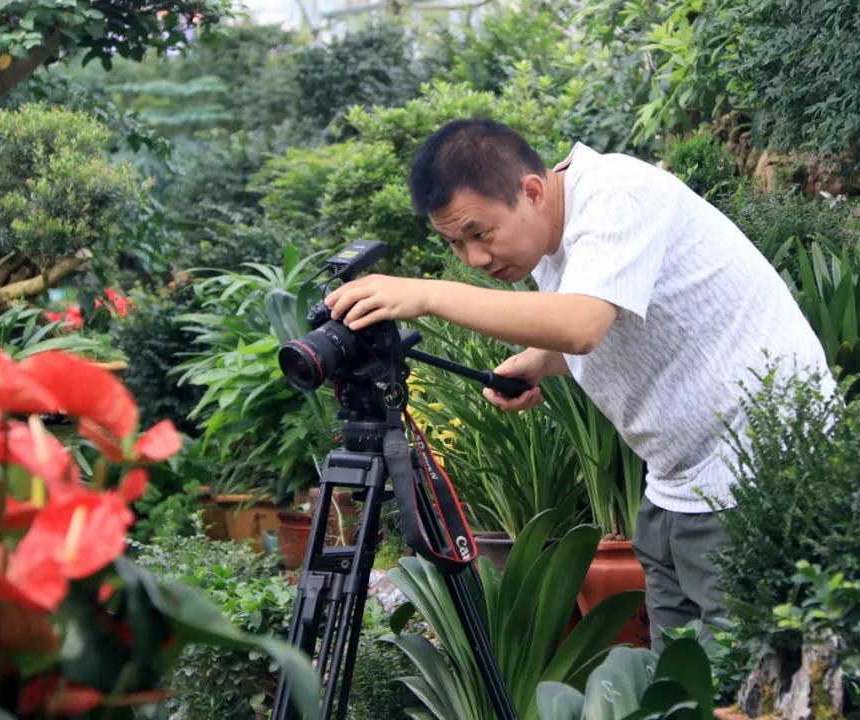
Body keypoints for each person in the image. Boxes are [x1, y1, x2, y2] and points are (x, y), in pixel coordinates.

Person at [323, 118, 831, 648]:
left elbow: (582, 324)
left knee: (745, 680)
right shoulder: (554, 235)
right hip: (676, 482)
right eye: (455, 243)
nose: (473, 258)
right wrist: (541, 361)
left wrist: (428, 295)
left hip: (752, 472)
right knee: (676, 683)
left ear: (533, 191)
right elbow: (619, 319)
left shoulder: (618, 196)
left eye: (480, 233)